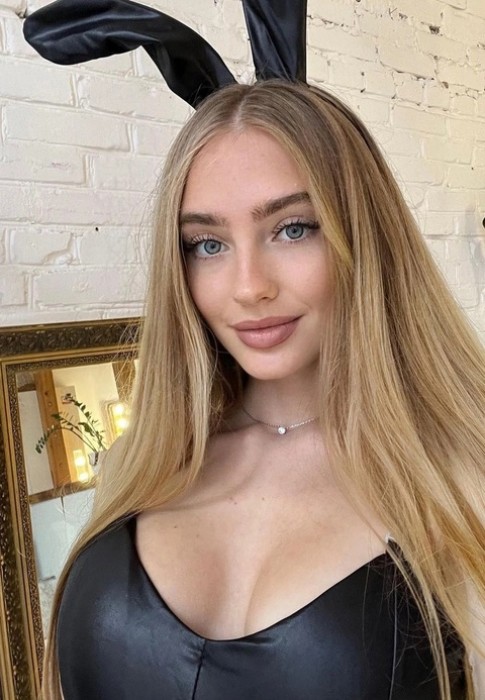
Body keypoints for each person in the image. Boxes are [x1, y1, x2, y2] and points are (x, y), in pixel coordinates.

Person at [23, 3, 484, 700]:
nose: (247, 287)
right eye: (207, 244)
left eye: (293, 229)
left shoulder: (461, 483)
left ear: (365, 237)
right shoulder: (136, 465)